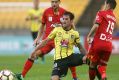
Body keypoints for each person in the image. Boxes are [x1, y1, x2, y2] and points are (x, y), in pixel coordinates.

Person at [16, 0, 78, 80]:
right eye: (52, 2)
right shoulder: (46, 12)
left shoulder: (64, 12)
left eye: (56, 2)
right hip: (47, 41)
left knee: (68, 56)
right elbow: (42, 25)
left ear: (59, 2)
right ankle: (22, 76)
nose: (54, 4)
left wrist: (75, 38)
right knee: (33, 54)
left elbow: (71, 24)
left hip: (60, 40)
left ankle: (75, 77)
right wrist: (38, 38)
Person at [35, 11, 86, 80]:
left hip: (70, 57)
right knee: (54, 78)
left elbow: (80, 47)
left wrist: (87, 55)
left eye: (66, 19)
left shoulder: (74, 33)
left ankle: (101, 75)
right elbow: (46, 41)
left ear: (71, 21)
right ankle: (74, 77)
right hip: (59, 60)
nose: (64, 21)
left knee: (90, 60)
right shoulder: (57, 30)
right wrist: (35, 50)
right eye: (63, 19)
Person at [87, 0, 117, 80]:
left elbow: (96, 25)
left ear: (108, 4)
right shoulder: (114, 18)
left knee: (91, 64)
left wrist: (89, 35)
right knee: (102, 65)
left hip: (99, 43)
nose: (104, 5)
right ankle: (103, 75)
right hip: (109, 45)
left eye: (104, 4)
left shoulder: (101, 13)